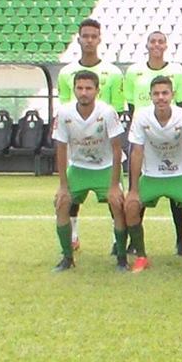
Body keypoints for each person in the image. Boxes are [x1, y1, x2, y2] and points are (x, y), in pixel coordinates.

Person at [56, 18, 124, 253]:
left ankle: (117, 242)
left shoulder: (113, 73)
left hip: (105, 145)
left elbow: (119, 108)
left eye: (93, 36)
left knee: (113, 198)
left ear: (99, 39)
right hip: (79, 146)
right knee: (71, 199)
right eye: (85, 36)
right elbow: (65, 110)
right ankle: (72, 236)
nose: (89, 40)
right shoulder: (66, 73)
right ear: (79, 39)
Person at [124, 76, 182, 274]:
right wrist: (133, 189)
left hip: (180, 174)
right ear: (150, 96)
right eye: (156, 94)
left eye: (165, 93)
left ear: (173, 95)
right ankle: (141, 256)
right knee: (131, 206)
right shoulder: (141, 116)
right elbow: (136, 151)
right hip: (152, 175)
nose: (161, 97)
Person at [124, 31, 182, 256]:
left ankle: (181, 240)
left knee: (176, 194)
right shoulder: (134, 72)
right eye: (153, 41)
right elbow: (132, 107)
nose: (156, 45)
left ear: (166, 45)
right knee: (139, 190)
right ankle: (133, 242)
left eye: (160, 41)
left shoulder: (177, 72)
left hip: (171, 139)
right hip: (144, 137)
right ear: (147, 44)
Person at [51, 71, 126, 271]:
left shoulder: (107, 112)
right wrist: (63, 186)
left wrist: (114, 185)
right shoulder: (64, 113)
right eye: (80, 88)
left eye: (88, 88)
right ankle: (67, 258)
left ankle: (121, 258)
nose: (84, 93)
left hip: (105, 167)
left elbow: (117, 148)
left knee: (118, 204)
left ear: (97, 90)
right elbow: (60, 148)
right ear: (74, 89)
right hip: (79, 167)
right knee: (61, 203)